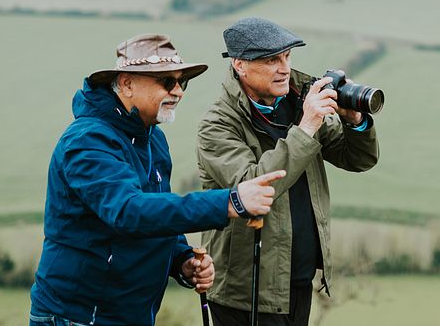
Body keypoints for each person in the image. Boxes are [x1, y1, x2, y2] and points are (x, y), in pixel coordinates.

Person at [29, 33, 286, 326]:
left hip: (128, 314)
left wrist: (182, 260)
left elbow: (156, 214)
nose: (178, 91)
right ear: (126, 83)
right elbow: (129, 211)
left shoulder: (153, 140)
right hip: (78, 317)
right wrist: (231, 201)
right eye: (166, 81)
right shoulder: (88, 140)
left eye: (182, 82)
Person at [197, 17, 380, 326]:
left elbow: (358, 160)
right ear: (240, 65)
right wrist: (306, 127)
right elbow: (254, 186)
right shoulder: (217, 125)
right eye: (271, 60)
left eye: (287, 57)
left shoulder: (297, 104)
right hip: (246, 291)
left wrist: (354, 121)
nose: (283, 67)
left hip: (298, 283)